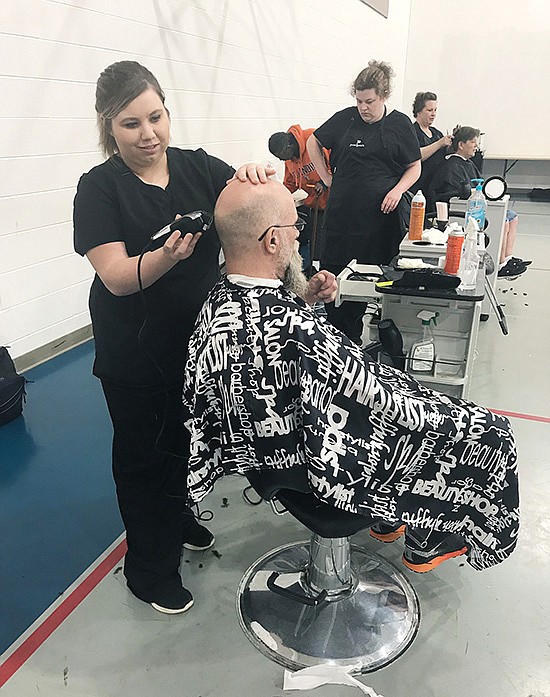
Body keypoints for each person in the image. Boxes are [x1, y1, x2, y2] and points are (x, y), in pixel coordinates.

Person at [182, 178, 520, 574]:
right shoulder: (290, 327)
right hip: (318, 467)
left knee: (393, 392)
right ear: (272, 240)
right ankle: (427, 537)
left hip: (271, 455)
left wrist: (302, 297)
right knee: (490, 433)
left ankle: (393, 518)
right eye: (296, 228)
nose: (297, 239)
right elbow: (374, 402)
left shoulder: (221, 300)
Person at [73, 60, 276, 615]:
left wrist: (257, 178)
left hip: (198, 347)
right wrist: (164, 257)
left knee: (187, 445)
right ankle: (148, 569)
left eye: (156, 117)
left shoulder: (199, 168)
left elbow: (250, 207)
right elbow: (116, 277)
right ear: (107, 128)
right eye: (130, 125)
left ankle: (181, 518)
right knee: (145, 459)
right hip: (134, 356)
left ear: (168, 111)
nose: (148, 135)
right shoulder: (98, 188)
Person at [306, 60, 421, 343]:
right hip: (341, 218)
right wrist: (327, 177)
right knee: (334, 283)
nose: (363, 107)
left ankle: (357, 343)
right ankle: (335, 343)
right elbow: (312, 142)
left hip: (377, 223)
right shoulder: (345, 119)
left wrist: (397, 191)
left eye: (369, 101)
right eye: (358, 101)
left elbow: (414, 167)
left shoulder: (399, 125)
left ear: (384, 96)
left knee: (366, 285)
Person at [429, 126, 530, 278]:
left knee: (512, 216)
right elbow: (453, 194)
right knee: (504, 220)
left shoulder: (467, 163)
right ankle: (501, 263)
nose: (476, 146)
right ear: (461, 145)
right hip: (459, 209)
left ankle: (507, 258)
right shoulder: (451, 165)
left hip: (475, 203)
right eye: (472, 142)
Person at [268, 126, 330, 271]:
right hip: (318, 203)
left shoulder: (314, 139)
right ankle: (316, 268)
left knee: (333, 238)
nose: (280, 159)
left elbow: (338, 161)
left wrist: (325, 181)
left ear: (288, 147)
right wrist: (277, 196)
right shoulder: (290, 158)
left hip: (337, 200)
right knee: (317, 240)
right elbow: (290, 182)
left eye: (280, 155)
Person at [410, 91, 453, 211]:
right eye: (429, 110)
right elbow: (416, 155)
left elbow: (444, 154)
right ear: (418, 111)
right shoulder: (412, 132)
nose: (433, 114)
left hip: (436, 188)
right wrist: (439, 143)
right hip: (419, 187)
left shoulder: (436, 133)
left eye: (435, 110)